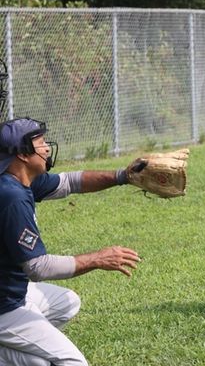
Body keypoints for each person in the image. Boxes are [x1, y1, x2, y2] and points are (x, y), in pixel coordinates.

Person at [0, 117, 142, 365]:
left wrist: (123, 176)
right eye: (41, 143)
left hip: (11, 292)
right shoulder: (11, 197)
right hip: (4, 306)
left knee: (66, 303)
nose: (46, 148)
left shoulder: (17, 179)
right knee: (73, 362)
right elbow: (38, 267)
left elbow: (70, 182)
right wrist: (98, 258)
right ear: (23, 155)